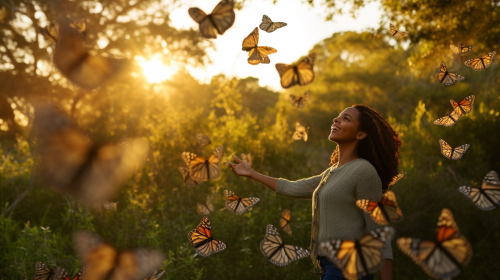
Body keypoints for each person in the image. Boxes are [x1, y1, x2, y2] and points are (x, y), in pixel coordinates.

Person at [226, 105, 401, 280]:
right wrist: (252, 174)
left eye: (346, 118)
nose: (336, 119)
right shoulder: (331, 173)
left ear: (361, 134)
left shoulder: (364, 171)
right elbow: (292, 187)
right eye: (338, 116)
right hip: (330, 267)